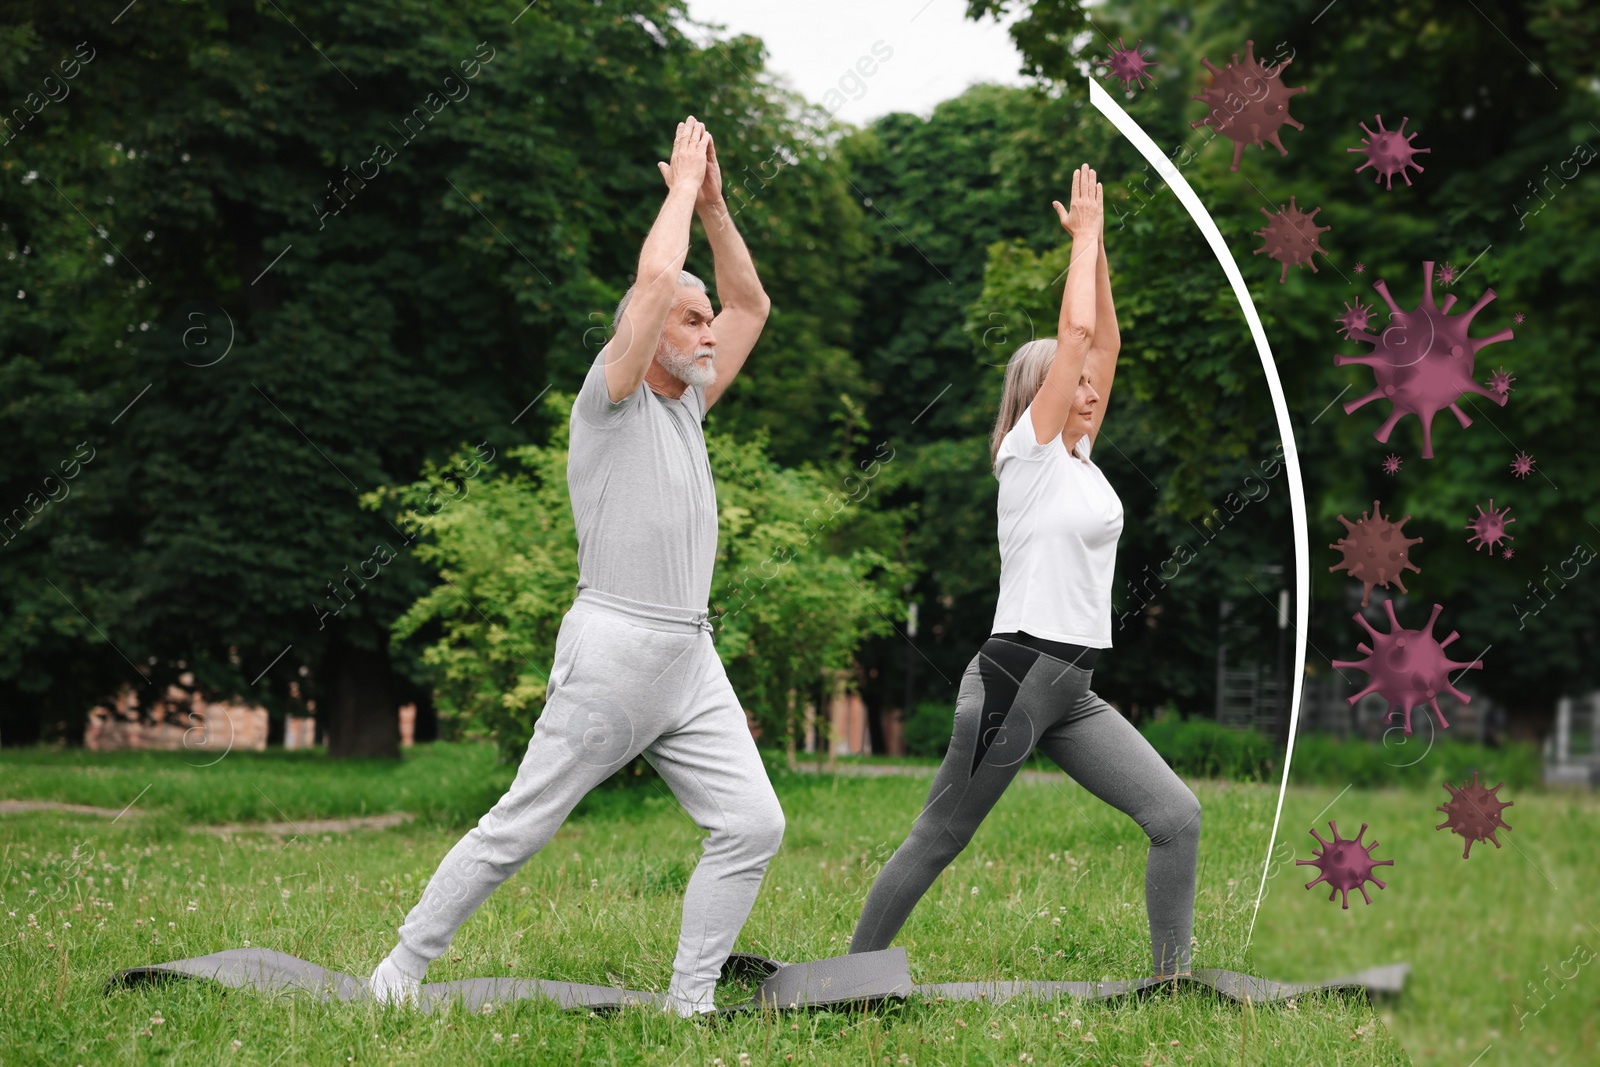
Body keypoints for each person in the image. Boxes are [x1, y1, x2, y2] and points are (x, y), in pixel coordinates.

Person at [369, 117, 782, 1017]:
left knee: (753, 823)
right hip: (614, 647)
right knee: (521, 825)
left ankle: (691, 1001)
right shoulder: (614, 398)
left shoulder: (692, 406)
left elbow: (751, 306)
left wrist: (714, 207)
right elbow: (648, 284)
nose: (709, 328)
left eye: (704, 317)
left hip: (689, 657)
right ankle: (399, 969)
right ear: (646, 331)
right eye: (690, 316)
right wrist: (677, 189)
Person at [847, 164, 1202, 980]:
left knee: (1176, 815)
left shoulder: (1078, 456)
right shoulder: (1029, 454)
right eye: (1074, 385)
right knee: (941, 835)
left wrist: (1099, 244)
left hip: (1073, 687)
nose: (1091, 391)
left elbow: (1101, 341)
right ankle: (849, 972)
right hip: (1015, 676)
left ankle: (1172, 981)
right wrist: (1077, 247)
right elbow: (1077, 338)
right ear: (1040, 392)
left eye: (1090, 388)